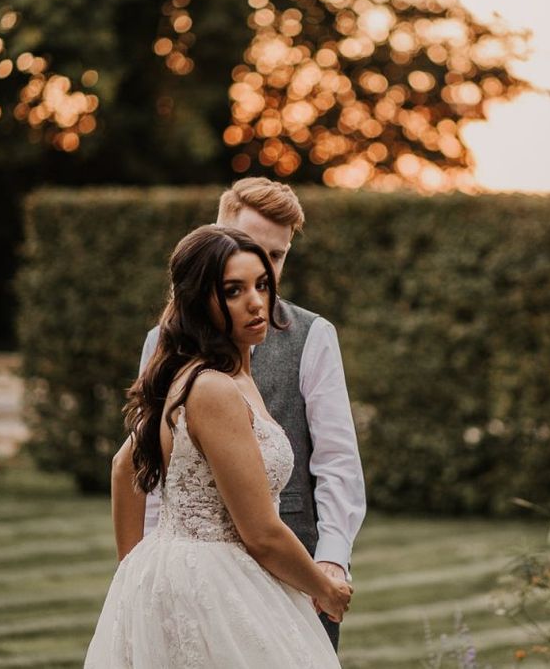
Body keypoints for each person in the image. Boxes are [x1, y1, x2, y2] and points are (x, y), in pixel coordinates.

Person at [112, 177, 366, 648]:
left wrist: (331, 559)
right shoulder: (175, 352)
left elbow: (337, 461)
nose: (261, 287)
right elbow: (135, 464)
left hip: (297, 560)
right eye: (248, 252)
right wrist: (140, 575)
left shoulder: (312, 335)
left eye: (275, 260)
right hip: (208, 574)